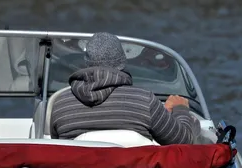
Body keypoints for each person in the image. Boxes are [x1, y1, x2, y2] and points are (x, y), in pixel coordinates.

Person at [49, 32, 199, 143]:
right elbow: (184, 142)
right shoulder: (144, 102)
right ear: (122, 62)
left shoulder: (61, 105)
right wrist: (180, 110)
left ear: (86, 63)